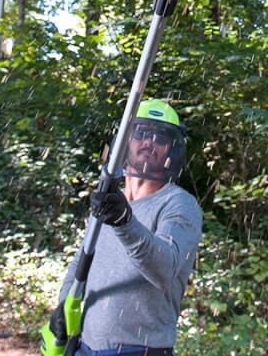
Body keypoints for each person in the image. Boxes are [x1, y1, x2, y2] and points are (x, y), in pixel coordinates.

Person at [47, 99, 202, 356]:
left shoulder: (180, 204)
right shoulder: (109, 199)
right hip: (84, 346)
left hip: (141, 349)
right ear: (126, 140)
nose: (149, 142)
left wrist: (123, 221)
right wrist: (64, 304)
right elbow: (82, 259)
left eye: (160, 137)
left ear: (171, 150)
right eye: (141, 133)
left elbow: (164, 269)